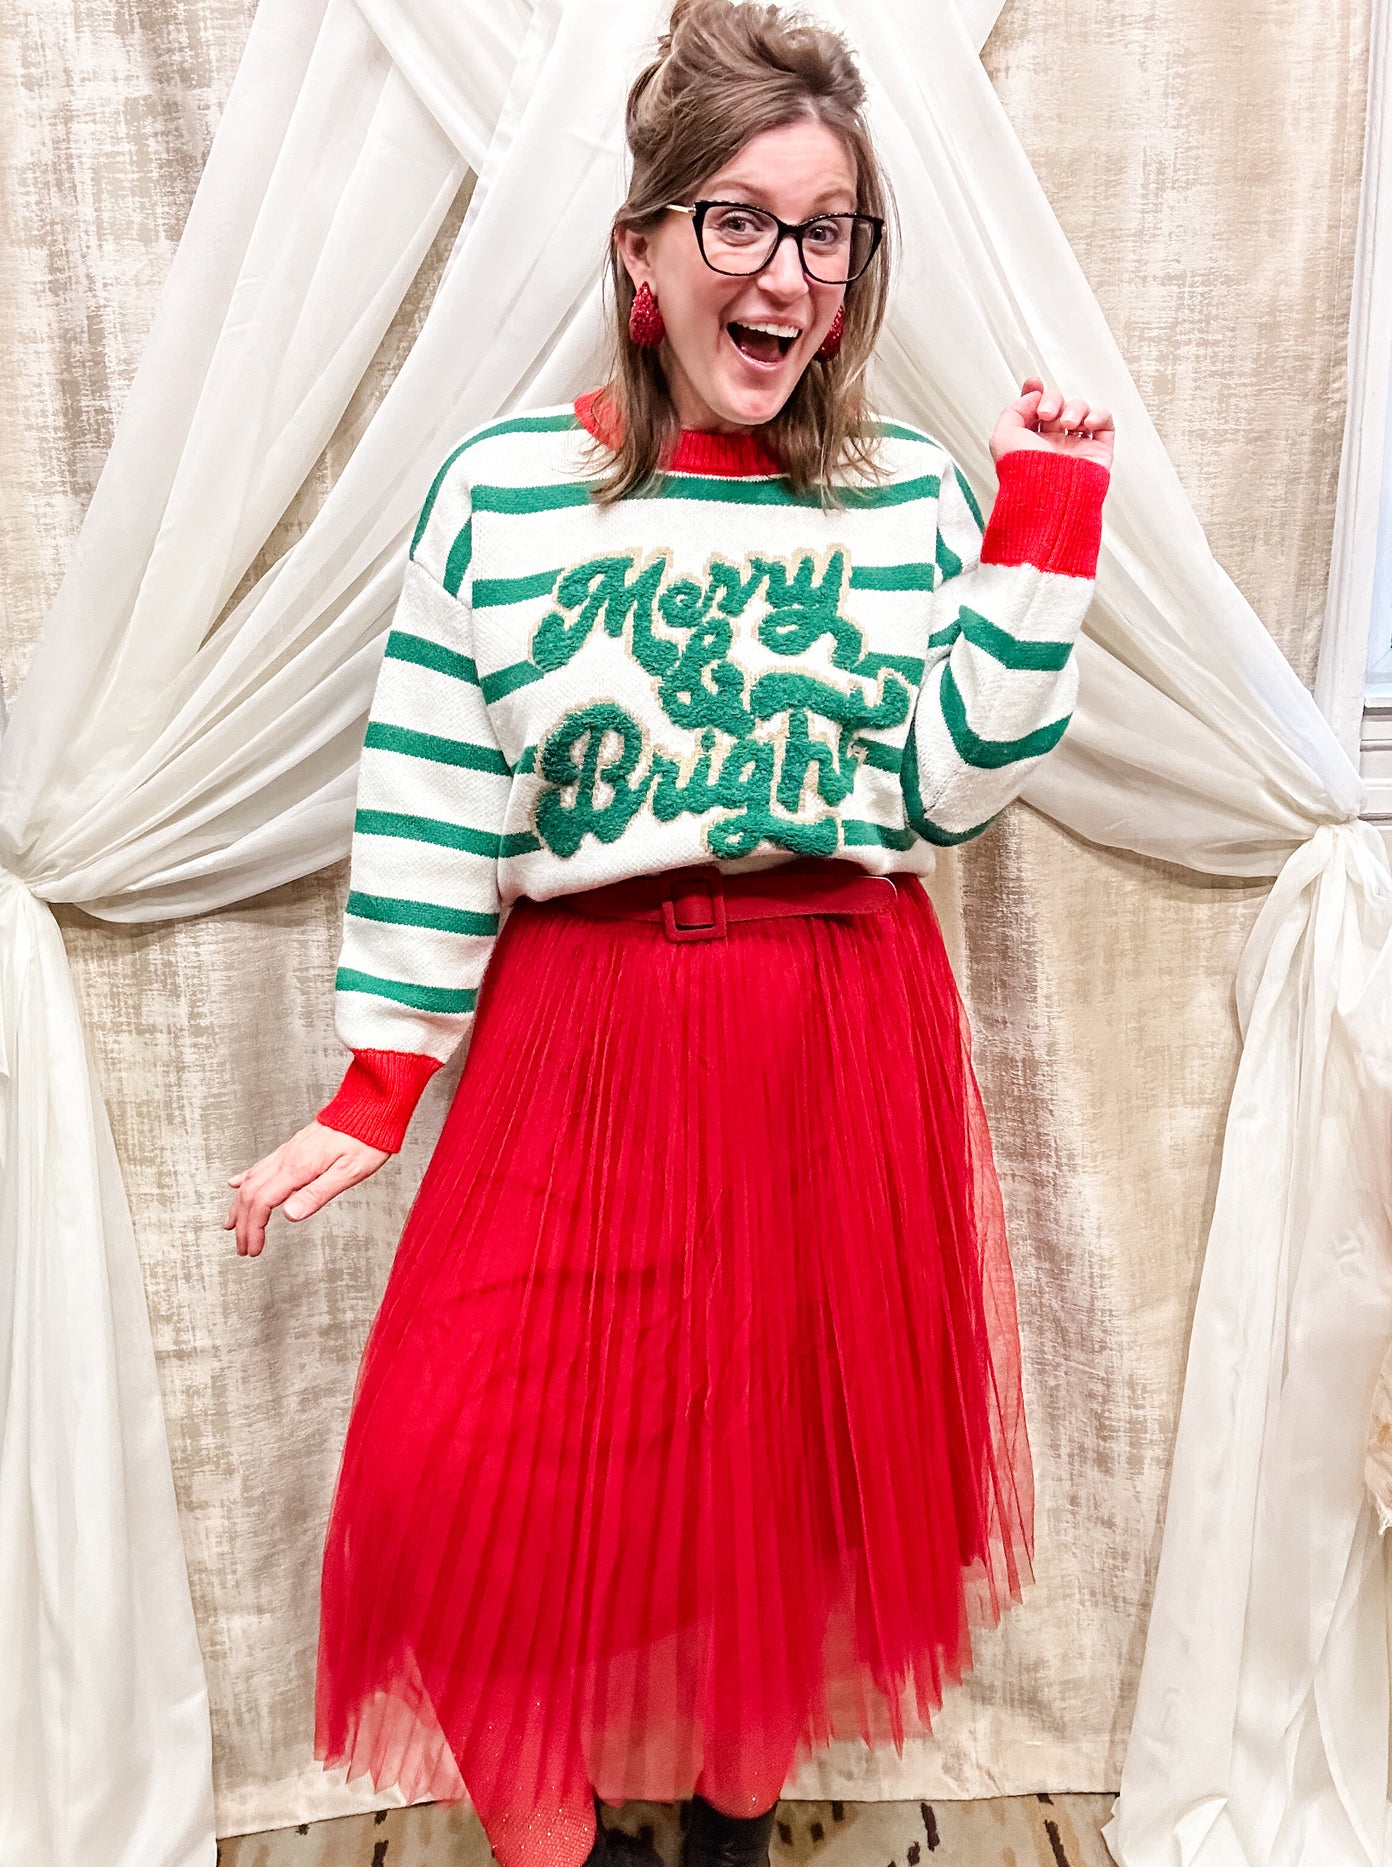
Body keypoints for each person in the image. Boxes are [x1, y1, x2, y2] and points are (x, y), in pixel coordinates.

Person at [224, 3, 1114, 1864]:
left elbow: (952, 788)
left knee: (776, 1479)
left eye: (827, 232)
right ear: (643, 252)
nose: (785, 269)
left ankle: (724, 1825)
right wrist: (378, 1085)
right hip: (588, 1023)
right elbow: (429, 802)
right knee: (452, 1478)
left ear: (857, 269)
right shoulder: (504, 495)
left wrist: (1037, 539)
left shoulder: (904, 502)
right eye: (740, 220)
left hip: (834, 1022)